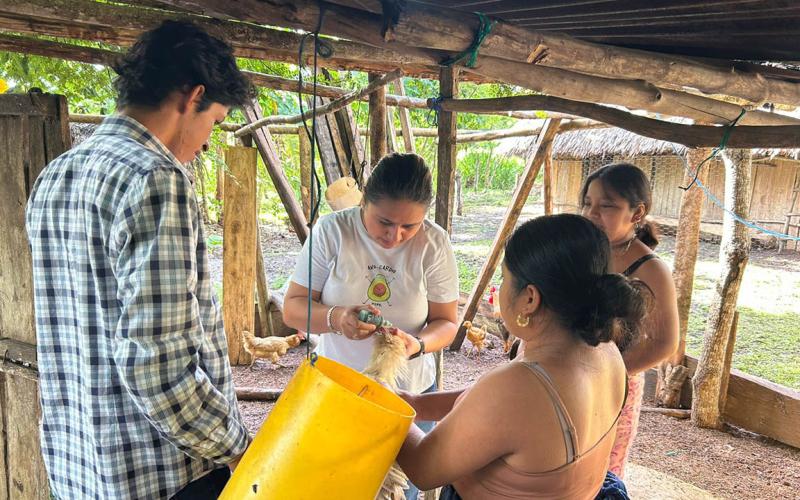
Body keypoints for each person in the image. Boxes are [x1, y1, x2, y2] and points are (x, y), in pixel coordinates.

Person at [26, 21, 254, 499]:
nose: (209, 140)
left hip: (80, 464)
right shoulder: (156, 179)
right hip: (160, 474)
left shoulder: (55, 176)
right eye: (214, 120)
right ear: (192, 98)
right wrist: (238, 448)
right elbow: (159, 368)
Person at [396, 214, 647, 499]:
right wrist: (416, 403)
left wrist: (389, 407)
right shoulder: (605, 351)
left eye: (504, 278)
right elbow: (487, 407)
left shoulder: (519, 387)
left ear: (529, 299)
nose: (501, 288)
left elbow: (422, 467)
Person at [283, 152, 459, 499]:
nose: (395, 237)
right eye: (384, 223)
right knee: (333, 486)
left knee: (396, 489)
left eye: (409, 226)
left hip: (407, 393)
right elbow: (293, 309)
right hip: (336, 389)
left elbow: (446, 322)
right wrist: (337, 319)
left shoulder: (434, 244)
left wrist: (416, 344)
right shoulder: (333, 232)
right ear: (364, 201)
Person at [580, 163, 680, 478]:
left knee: (600, 473)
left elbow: (665, 342)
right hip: (567, 374)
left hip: (613, 385)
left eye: (606, 206)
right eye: (587, 203)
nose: (592, 213)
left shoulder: (650, 269)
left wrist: (609, 374)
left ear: (637, 213)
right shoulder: (584, 252)